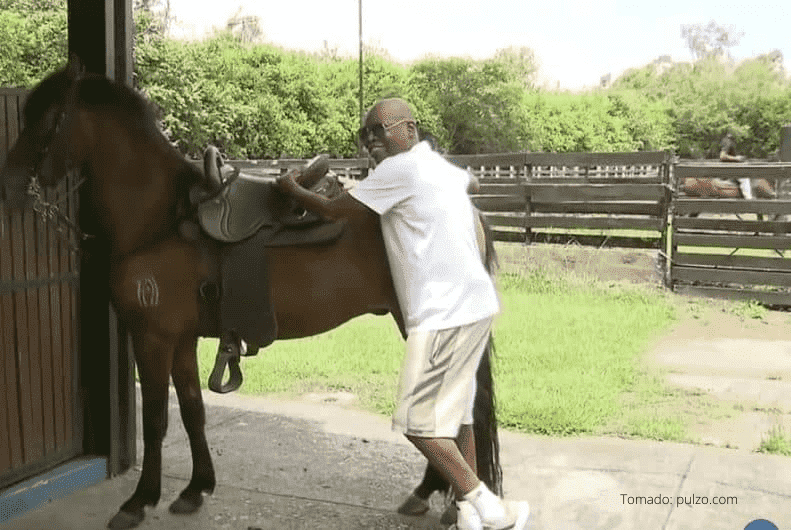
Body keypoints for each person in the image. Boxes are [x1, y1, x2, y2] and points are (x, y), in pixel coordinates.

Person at [277, 98, 530, 530]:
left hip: (443, 315)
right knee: (460, 412)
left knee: (416, 422)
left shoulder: (400, 169)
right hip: (475, 307)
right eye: (365, 136)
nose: (371, 141)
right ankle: (469, 513)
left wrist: (292, 191)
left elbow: (337, 211)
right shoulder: (439, 167)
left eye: (379, 129)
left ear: (408, 129)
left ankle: (492, 507)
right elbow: (471, 185)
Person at [719, 132, 752, 199]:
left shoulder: (731, 141)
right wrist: (737, 158)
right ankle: (748, 199)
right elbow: (722, 156)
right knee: (744, 179)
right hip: (729, 168)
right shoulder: (727, 141)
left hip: (731, 167)